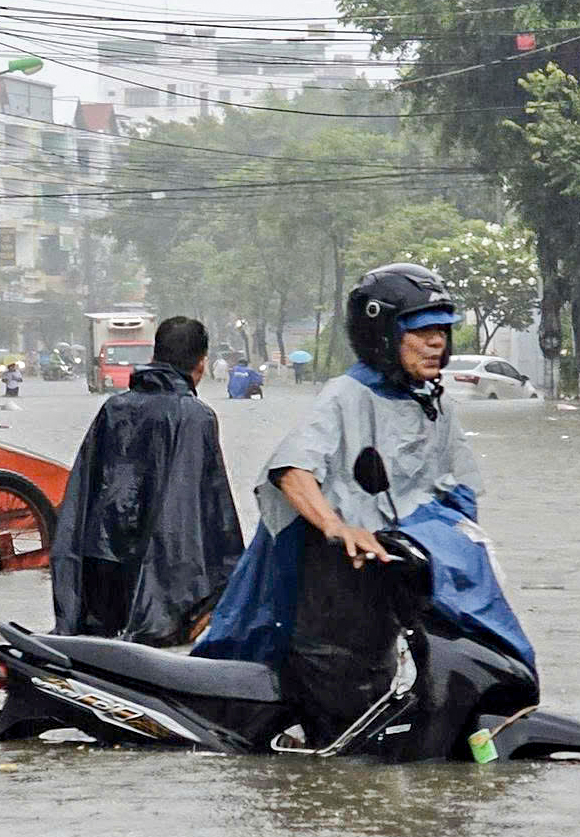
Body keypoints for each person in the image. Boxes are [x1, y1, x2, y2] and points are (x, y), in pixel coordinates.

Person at [194, 263, 483, 745]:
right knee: (342, 729)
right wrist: (335, 525)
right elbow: (292, 469)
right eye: (422, 331)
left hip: (385, 593)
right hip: (326, 595)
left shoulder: (434, 405)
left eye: (442, 331)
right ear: (385, 335)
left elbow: (458, 490)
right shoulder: (346, 395)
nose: (437, 343)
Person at [48, 315, 246, 646]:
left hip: (103, 565)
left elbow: (82, 495)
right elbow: (210, 507)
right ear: (201, 364)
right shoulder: (196, 416)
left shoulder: (114, 408)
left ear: (155, 356)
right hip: (164, 574)